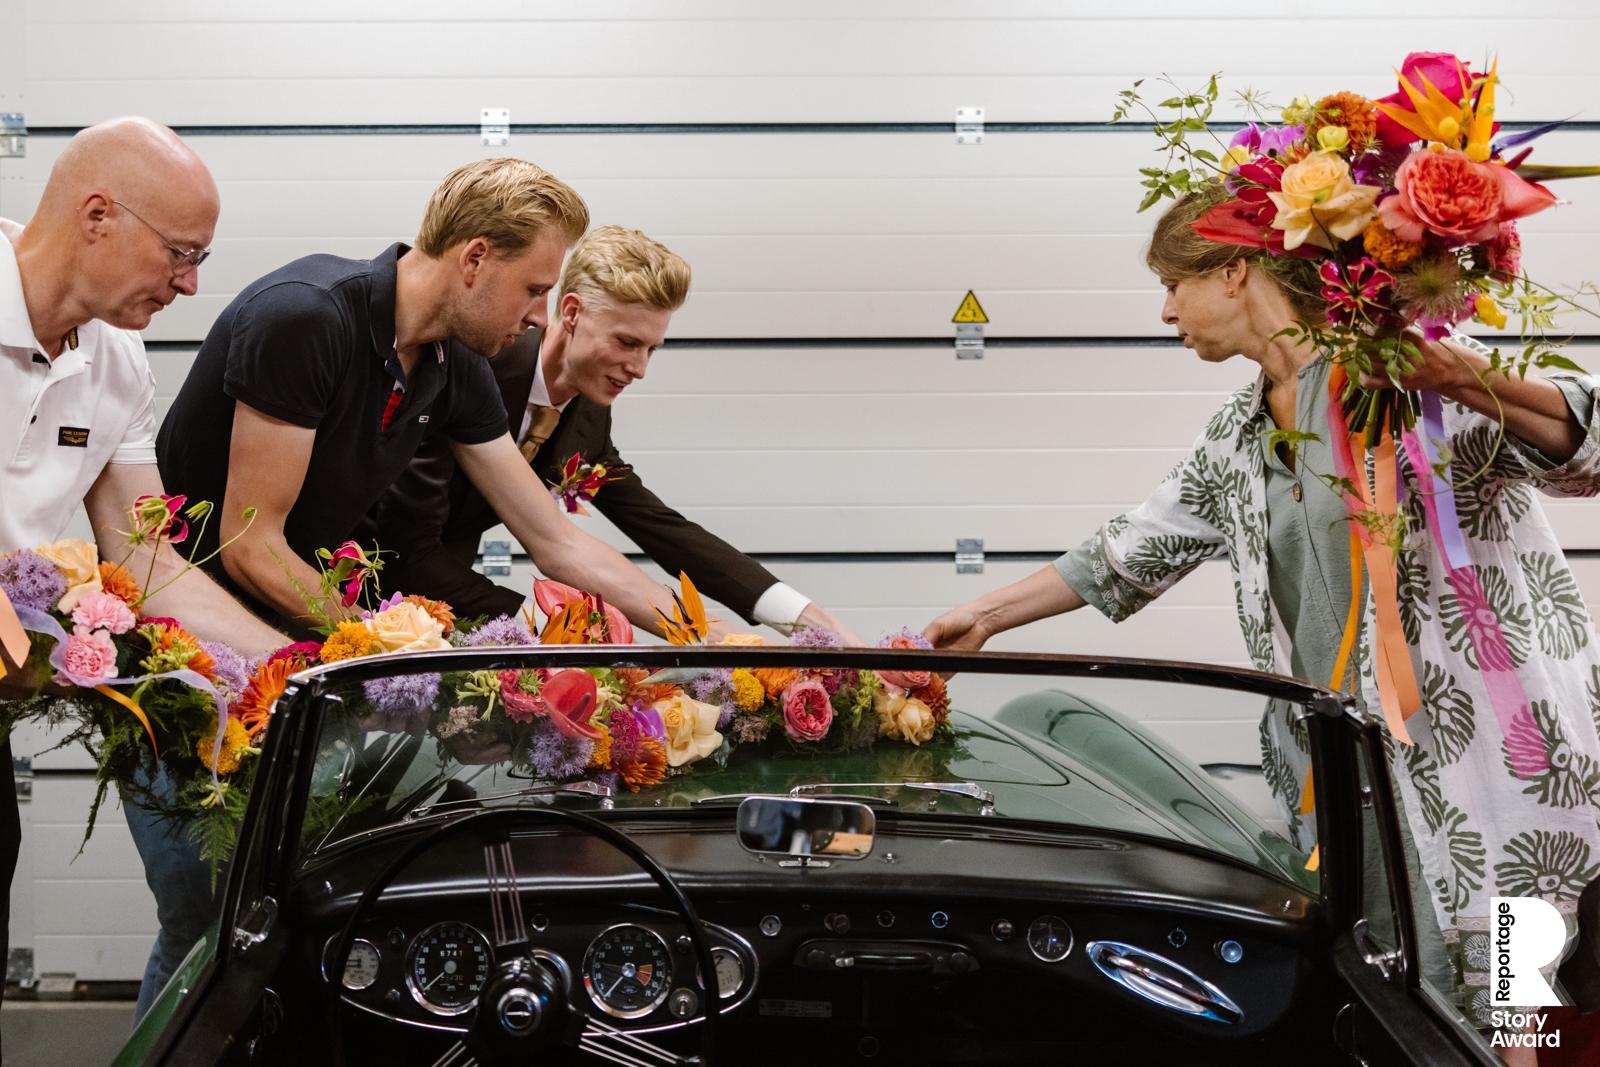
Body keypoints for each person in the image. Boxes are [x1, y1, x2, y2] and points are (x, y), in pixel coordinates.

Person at [925, 187, 1600, 1051]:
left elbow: (1584, 441)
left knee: (1518, 1013)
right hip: (1353, 786)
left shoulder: (1397, 375)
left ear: (1235, 270)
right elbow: (1124, 551)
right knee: (1393, 1012)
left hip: (1485, 766)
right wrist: (981, 616)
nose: (1166, 311)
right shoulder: (1236, 437)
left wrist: (1456, 374)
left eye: (1174, 284)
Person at [0, 117, 286, 1030]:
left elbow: (144, 552)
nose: (191, 283)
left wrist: (297, 665)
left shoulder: (118, 360)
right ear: (97, 216)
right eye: (181, 253)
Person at [156, 159, 694, 636]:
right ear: (475, 259)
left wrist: (702, 632)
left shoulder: (455, 361)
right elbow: (252, 545)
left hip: (291, 622)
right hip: (187, 629)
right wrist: (383, 644)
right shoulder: (308, 318)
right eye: (534, 290)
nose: (539, 317)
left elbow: (557, 541)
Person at [367, 224, 858, 639]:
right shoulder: (474, 369)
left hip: (442, 606)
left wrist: (805, 621)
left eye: (651, 349)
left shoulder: (588, 418)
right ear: (571, 312)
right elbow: (407, 545)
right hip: (354, 583)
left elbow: (665, 531)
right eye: (626, 342)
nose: (639, 368)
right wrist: (557, 629)